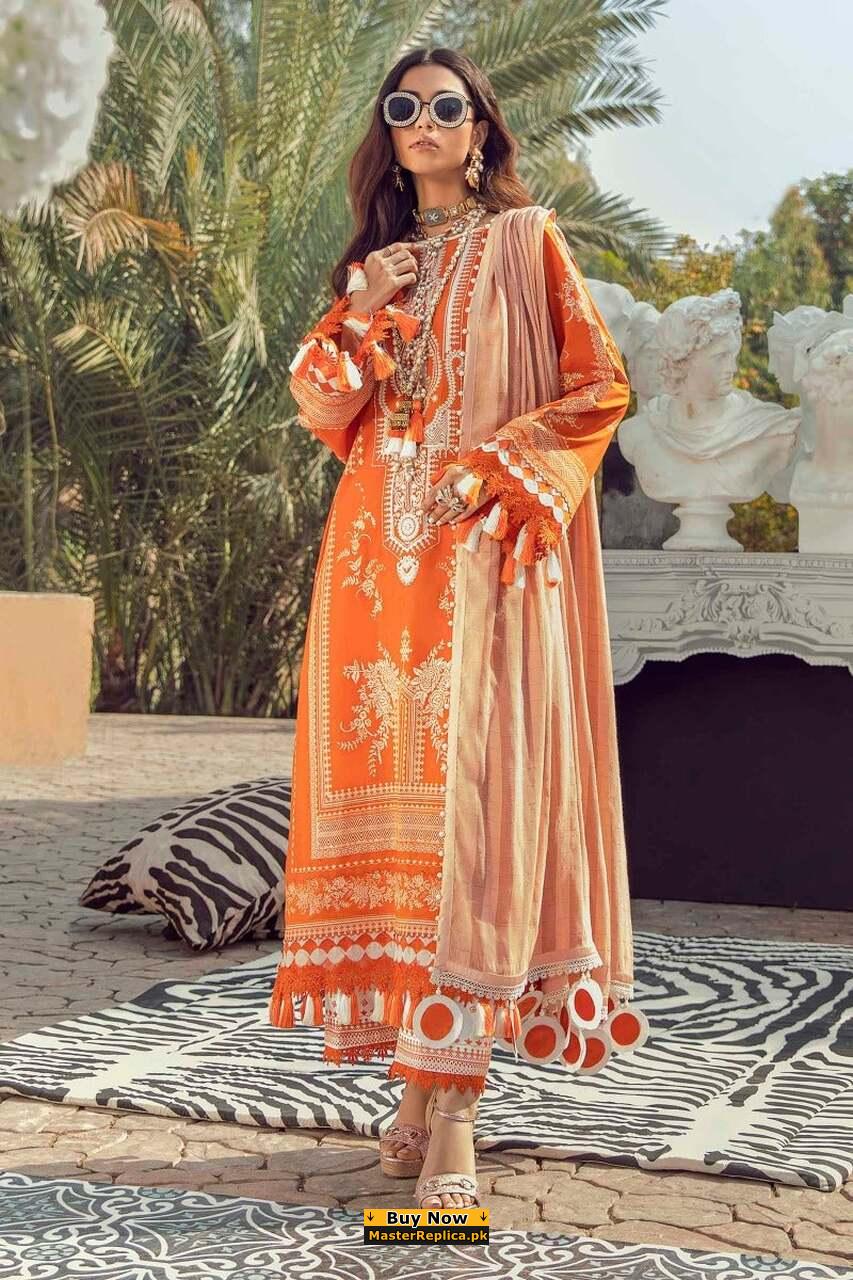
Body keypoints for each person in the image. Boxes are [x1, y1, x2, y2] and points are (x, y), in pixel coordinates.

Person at [269, 46, 643, 1212]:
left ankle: (454, 1115)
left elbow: (598, 385)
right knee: (396, 837)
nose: (424, 120)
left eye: (446, 105)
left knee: (471, 832)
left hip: (483, 568)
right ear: (389, 135)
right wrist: (360, 308)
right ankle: (412, 1083)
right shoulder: (374, 268)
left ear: (480, 127)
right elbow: (323, 404)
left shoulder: (528, 243)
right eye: (404, 107)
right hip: (372, 577)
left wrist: (495, 467)